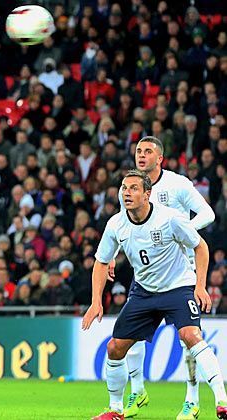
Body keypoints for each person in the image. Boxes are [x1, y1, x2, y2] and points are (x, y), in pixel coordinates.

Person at [83, 170, 227, 420]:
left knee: (191, 336)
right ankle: (115, 410)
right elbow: (100, 262)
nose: (127, 193)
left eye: (134, 188)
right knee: (115, 348)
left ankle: (221, 401)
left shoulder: (169, 218)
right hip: (144, 292)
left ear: (147, 194)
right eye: (124, 188)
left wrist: (200, 286)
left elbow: (200, 247)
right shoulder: (116, 224)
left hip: (178, 287)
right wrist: (96, 301)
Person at [110, 136, 215, 419]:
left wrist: (182, 234)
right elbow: (123, 223)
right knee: (129, 334)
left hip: (181, 267)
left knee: (188, 339)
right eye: (138, 151)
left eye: (147, 152)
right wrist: (111, 255)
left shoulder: (178, 184)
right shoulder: (131, 187)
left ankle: (192, 399)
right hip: (145, 268)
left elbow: (208, 212)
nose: (141, 156)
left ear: (160, 158)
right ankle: (138, 389)